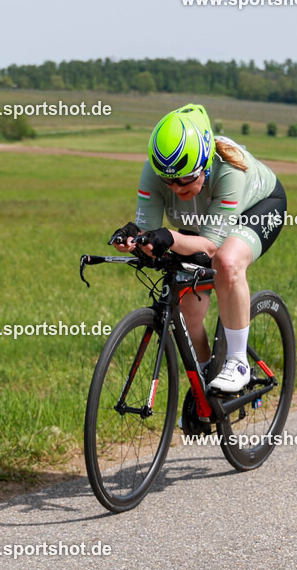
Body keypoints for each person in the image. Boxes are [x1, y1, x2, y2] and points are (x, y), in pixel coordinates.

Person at [109, 104, 287, 394]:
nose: (176, 188)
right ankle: (206, 387)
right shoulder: (156, 171)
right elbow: (149, 236)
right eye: (168, 181)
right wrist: (134, 240)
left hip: (257, 208)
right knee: (189, 312)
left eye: (184, 179)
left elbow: (210, 248)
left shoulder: (230, 170)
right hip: (202, 221)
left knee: (227, 263)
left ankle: (239, 363)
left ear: (205, 163)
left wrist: (168, 235)